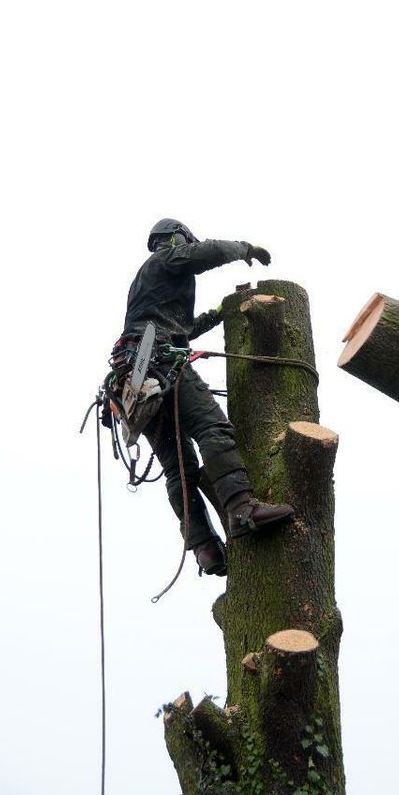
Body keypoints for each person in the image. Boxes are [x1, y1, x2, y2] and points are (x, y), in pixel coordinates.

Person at [117, 217, 294, 576]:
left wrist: (220, 313)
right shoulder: (165, 260)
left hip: (134, 382)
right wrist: (244, 249)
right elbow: (207, 252)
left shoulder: (148, 281)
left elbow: (183, 328)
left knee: (177, 467)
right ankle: (242, 509)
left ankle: (204, 548)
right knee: (213, 428)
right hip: (159, 362)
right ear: (175, 239)